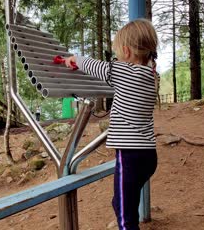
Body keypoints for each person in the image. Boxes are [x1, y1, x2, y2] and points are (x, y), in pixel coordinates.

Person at [65, 19, 159, 230]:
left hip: (130, 155)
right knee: (122, 203)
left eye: (116, 53)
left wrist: (73, 60)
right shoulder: (150, 75)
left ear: (126, 52)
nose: (115, 58)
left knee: (126, 217)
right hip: (147, 155)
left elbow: (95, 66)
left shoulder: (124, 71)